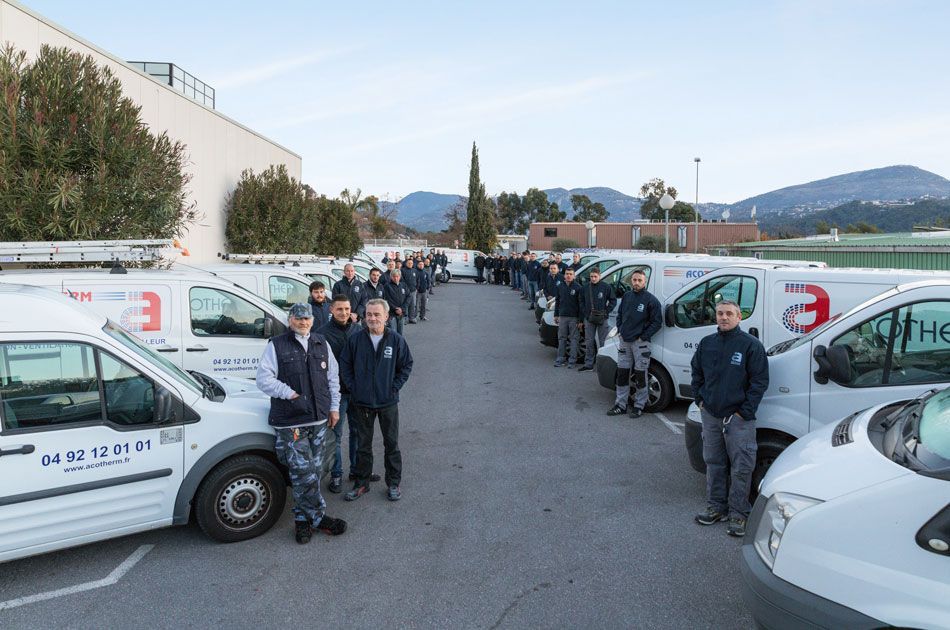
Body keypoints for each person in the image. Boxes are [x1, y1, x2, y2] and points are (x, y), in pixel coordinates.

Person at [255, 303, 347, 543]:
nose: (303, 322)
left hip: (319, 418)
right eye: (298, 319)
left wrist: (334, 407)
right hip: (291, 421)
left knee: (314, 471)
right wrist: (290, 394)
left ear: (312, 321)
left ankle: (301, 520)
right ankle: (318, 517)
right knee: (302, 471)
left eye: (307, 319)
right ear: (290, 320)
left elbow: (332, 378)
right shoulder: (276, 345)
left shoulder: (321, 342)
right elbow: (263, 379)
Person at [691, 300, 769, 537]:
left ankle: (739, 514)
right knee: (714, 462)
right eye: (720, 313)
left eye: (728, 314)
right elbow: (697, 373)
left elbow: (759, 382)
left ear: (739, 317)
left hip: (739, 419)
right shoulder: (707, 343)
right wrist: (700, 400)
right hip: (711, 415)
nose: (723, 317)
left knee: (741, 467)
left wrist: (744, 412)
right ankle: (716, 507)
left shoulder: (751, 346)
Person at [340, 298, 413, 502]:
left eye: (377, 314)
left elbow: (406, 365)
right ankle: (361, 483)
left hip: (387, 402)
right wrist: (354, 388)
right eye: (369, 314)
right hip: (362, 403)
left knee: (391, 444)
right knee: (363, 445)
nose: (372, 318)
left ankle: (394, 483)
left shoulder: (396, 340)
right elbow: (345, 365)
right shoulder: (355, 340)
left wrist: (394, 387)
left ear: (386, 316)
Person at [317, 295, 361, 493]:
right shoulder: (321, 334)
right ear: (331, 310)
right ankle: (336, 475)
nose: (344, 313)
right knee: (335, 436)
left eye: (347, 309)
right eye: (339, 309)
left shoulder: (358, 330)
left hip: (357, 392)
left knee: (358, 432)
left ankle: (357, 470)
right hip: (336, 394)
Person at [606, 269, 661, 418]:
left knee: (640, 376)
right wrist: (620, 329)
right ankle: (620, 405)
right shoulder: (627, 296)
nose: (636, 283)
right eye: (634, 280)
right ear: (631, 280)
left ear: (645, 281)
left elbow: (657, 322)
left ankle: (639, 406)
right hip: (624, 341)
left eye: (639, 280)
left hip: (640, 344)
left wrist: (643, 337)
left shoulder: (651, 300)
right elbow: (620, 315)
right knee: (622, 374)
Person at [578, 268, 617, 372]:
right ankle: (589, 364)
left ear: (599, 276)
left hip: (602, 318)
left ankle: (603, 366)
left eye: (595, 276)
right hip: (589, 318)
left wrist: (606, 312)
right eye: (591, 276)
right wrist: (585, 313)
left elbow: (613, 300)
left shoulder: (606, 287)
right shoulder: (585, 287)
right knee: (589, 341)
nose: (593, 278)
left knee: (603, 342)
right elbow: (581, 301)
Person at [554, 267, 584, 368]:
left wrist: (580, 320)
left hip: (574, 318)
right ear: (564, 275)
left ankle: (572, 361)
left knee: (574, 339)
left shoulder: (578, 288)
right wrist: (556, 314)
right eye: (567, 274)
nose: (568, 276)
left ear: (574, 276)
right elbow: (557, 301)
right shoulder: (560, 286)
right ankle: (560, 359)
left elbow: (581, 305)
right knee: (562, 338)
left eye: (571, 274)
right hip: (562, 317)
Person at [383, 268, 410, 334]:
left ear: (400, 277)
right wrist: (395, 309)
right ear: (391, 277)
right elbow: (387, 299)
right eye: (394, 276)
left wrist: (402, 308)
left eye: (397, 276)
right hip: (392, 314)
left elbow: (408, 297)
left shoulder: (403, 285)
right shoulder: (387, 286)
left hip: (401, 313)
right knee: (393, 332)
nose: (395, 278)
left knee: (400, 333)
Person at [401, 259, 419, 324]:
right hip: (405, 291)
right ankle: (405, 318)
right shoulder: (402, 270)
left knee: (412, 304)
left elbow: (417, 280)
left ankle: (411, 318)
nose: (410, 264)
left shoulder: (415, 271)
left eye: (411, 263)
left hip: (413, 291)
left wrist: (416, 288)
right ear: (406, 264)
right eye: (409, 263)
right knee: (406, 304)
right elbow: (401, 281)